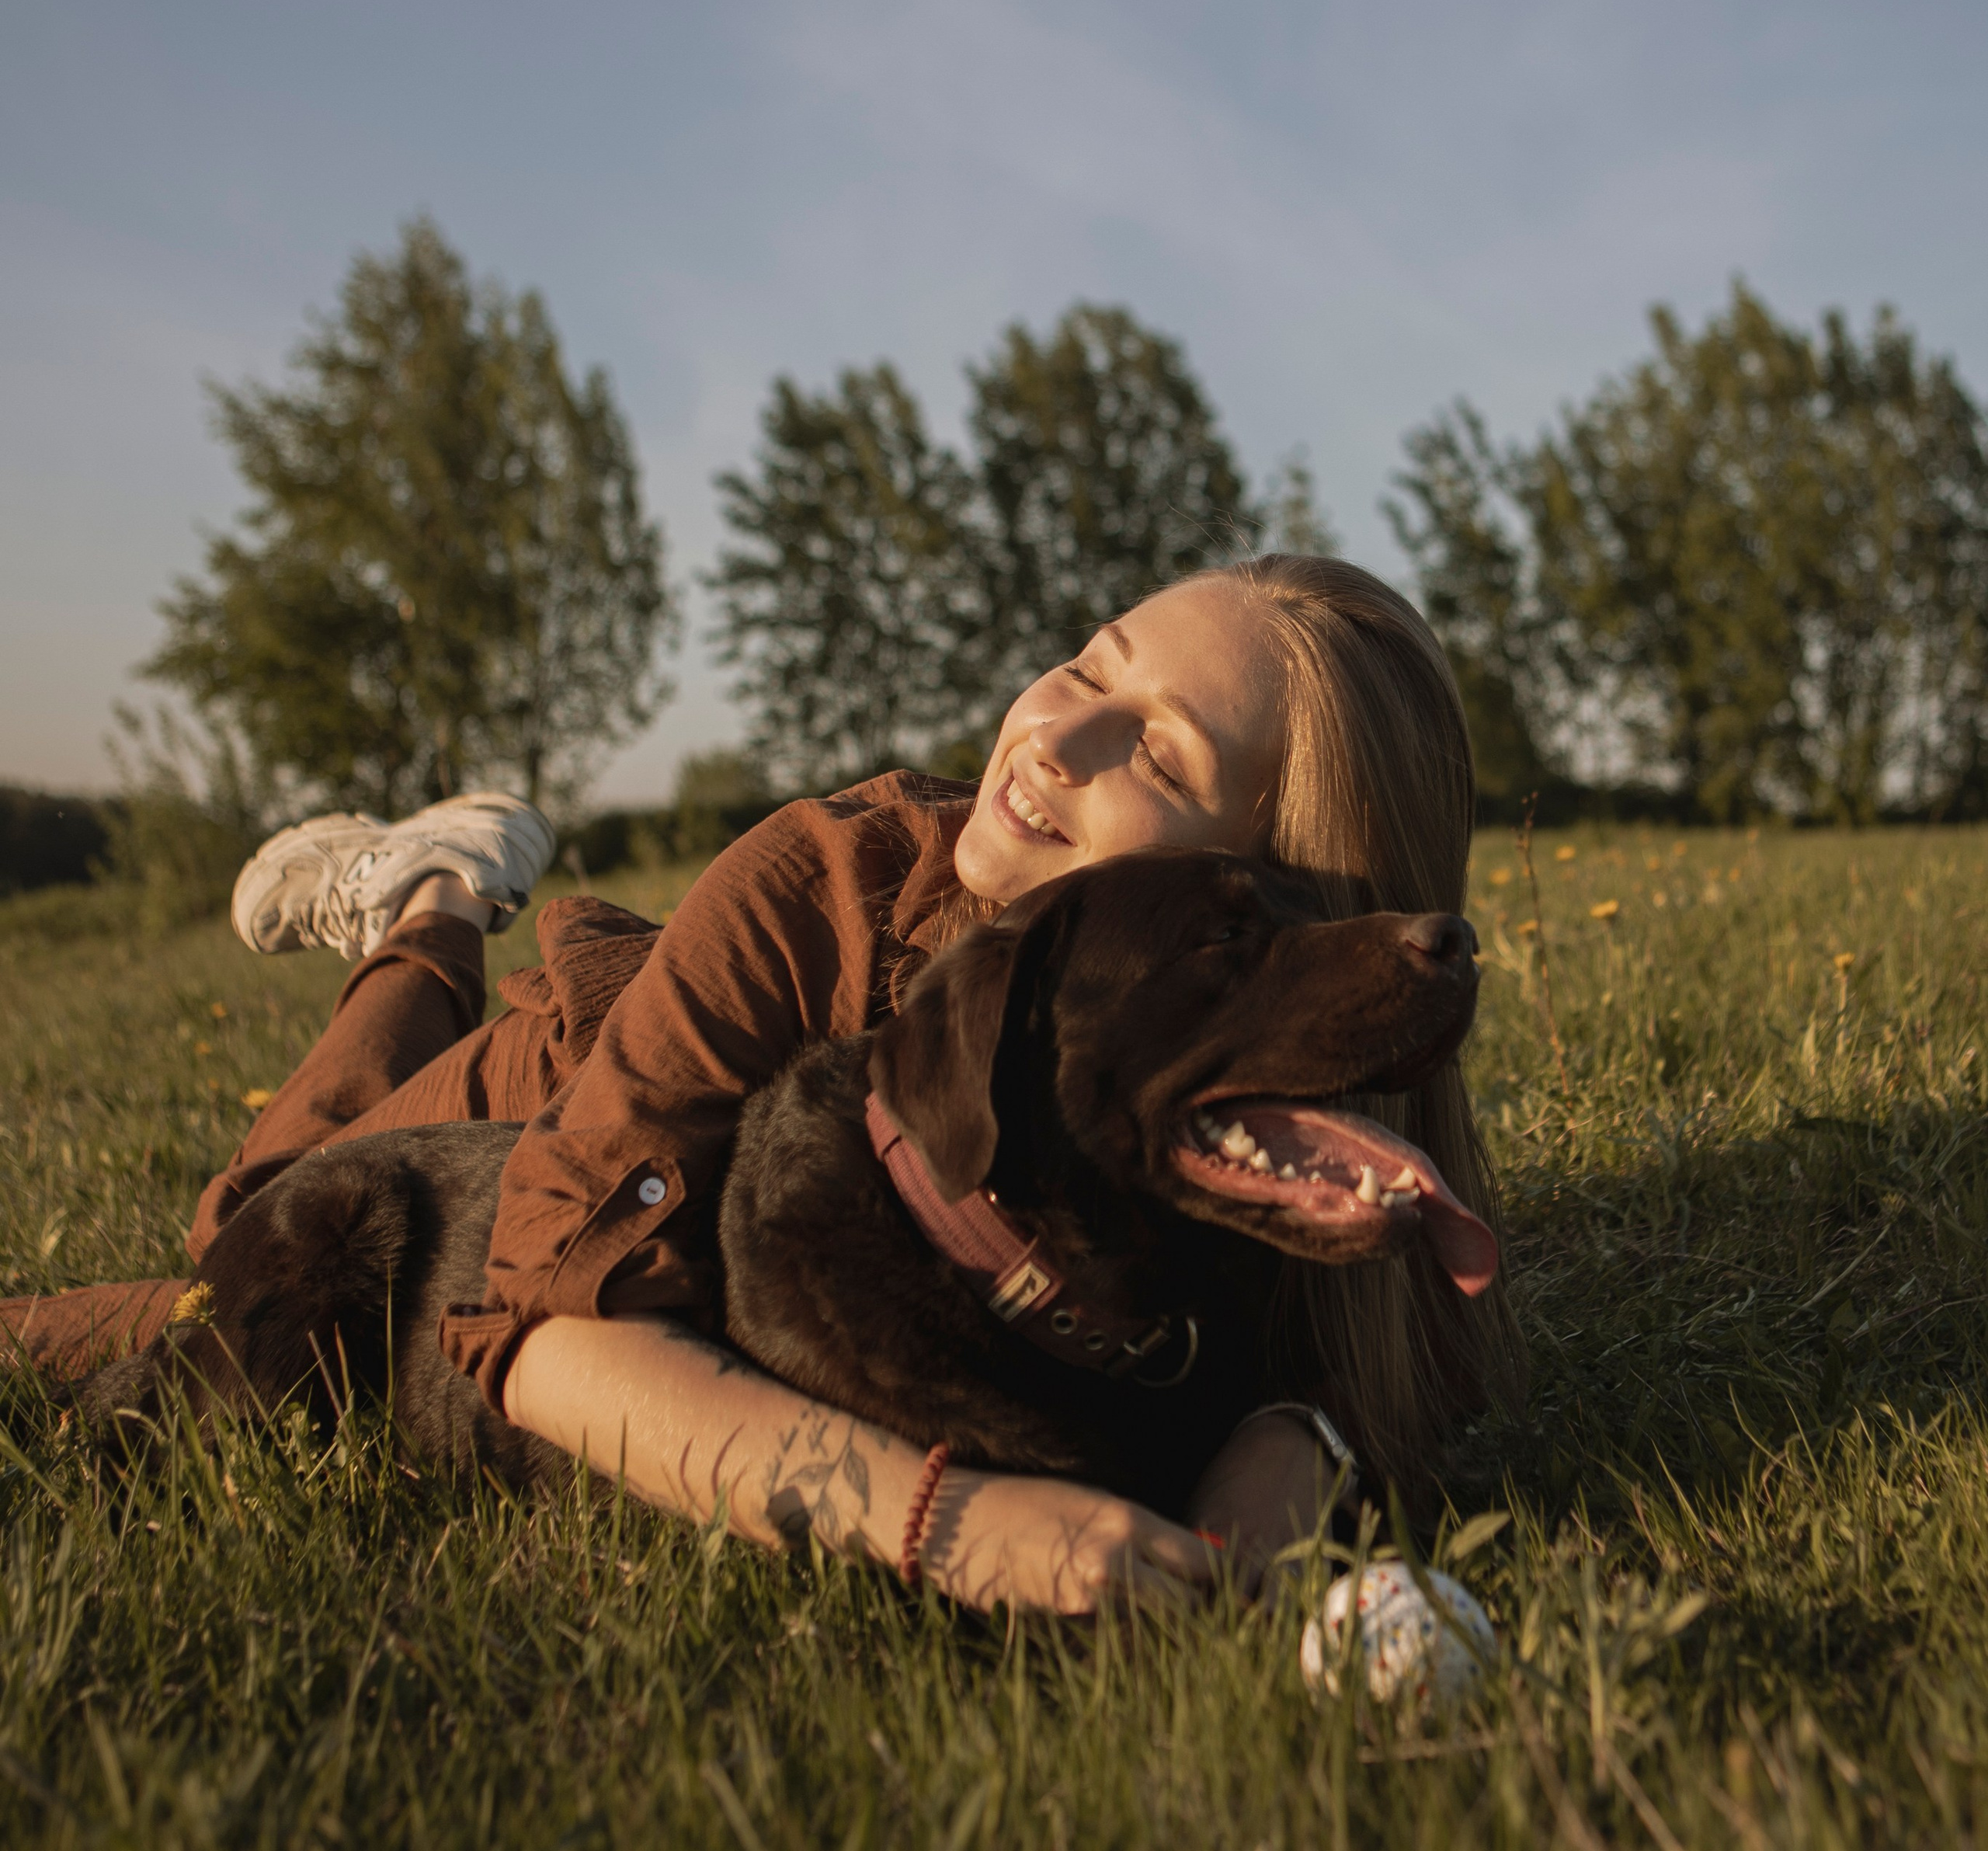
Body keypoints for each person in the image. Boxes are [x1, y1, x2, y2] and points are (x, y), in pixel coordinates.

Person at [2, 556, 1521, 1615]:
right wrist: (950, 1527)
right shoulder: (824, 879)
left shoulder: (1216, 1065)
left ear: (1280, 896)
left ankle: (434, 898)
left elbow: (1386, 1352)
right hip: (558, 1114)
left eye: (1161, 759)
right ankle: (436, 904)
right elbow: (521, 1336)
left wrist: (1297, 1438)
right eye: (1084, 664)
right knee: (246, 1225)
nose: (1052, 732)